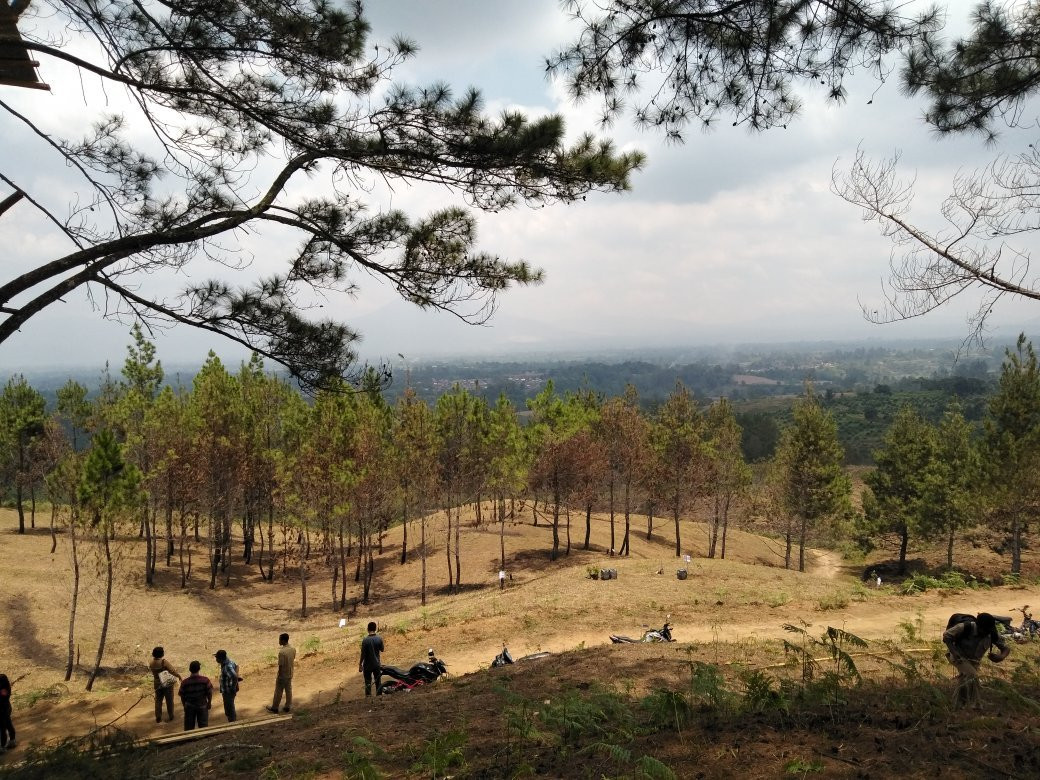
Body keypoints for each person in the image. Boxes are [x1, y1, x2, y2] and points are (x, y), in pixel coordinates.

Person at [942, 612, 1010, 708]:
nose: (986, 633)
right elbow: (946, 636)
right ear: (978, 626)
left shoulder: (991, 633)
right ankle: (976, 704)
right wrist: (954, 651)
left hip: (974, 661)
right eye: (984, 630)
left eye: (988, 630)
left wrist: (1001, 657)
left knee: (965, 680)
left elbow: (1006, 648)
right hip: (959, 657)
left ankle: (957, 705)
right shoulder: (964, 627)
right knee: (972, 675)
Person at [148, 646, 183, 724]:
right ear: (162, 654)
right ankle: (171, 716)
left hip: (157, 683)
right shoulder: (164, 662)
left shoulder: (151, 662)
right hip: (166, 684)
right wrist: (179, 676)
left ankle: (158, 717)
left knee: (158, 700)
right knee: (169, 700)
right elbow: (172, 671)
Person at [177, 661, 213, 731]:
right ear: (199, 669)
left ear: (190, 670)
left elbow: (182, 695)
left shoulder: (184, 682)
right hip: (202, 705)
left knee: (189, 726)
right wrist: (209, 703)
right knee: (203, 726)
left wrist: (184, 705)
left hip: (189, 706)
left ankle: (189, 740)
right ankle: (203, 739)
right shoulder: (205, 680)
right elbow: (209, 692)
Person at [266, 633, 296, 714]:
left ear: (283, 640)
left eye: (279, 639)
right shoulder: (293, 649)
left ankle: (275, 707)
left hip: (283, 675)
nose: (279, 641)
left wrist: (279, 675)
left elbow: (281, 666)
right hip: (290, 672)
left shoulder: (282, 652)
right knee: (288, 690)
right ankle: (288, 706)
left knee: (278, 691)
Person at [214, 649, 240, 722]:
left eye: (217, 658)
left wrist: (233, 687)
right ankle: (232, 721)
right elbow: (237, 666)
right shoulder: (229, 661)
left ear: (221, 659)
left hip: (228, 691)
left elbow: (234, 677)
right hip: (228, 690)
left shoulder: (227, 666)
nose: (216, 659)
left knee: (229, 709)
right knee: (229, 707)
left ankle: (233, 724)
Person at [359, 621, 384, 697]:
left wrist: (360, 664)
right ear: (375, 629)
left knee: (368, 683)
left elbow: (363, 654)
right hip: (376, 664)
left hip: (367, 665)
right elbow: (382, 649)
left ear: (368, 629)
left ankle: (368, 698)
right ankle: (379, 696)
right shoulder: (379, 638)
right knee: (378, 682)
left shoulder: (365, 640)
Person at [0, 673, 14, 752]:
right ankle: (12, 741)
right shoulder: (5, 687)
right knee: (8, 725)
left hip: (3, 711)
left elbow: (2, 699)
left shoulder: (4, 689)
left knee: (2, 728)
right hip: (6, 709)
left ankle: (2, 746)